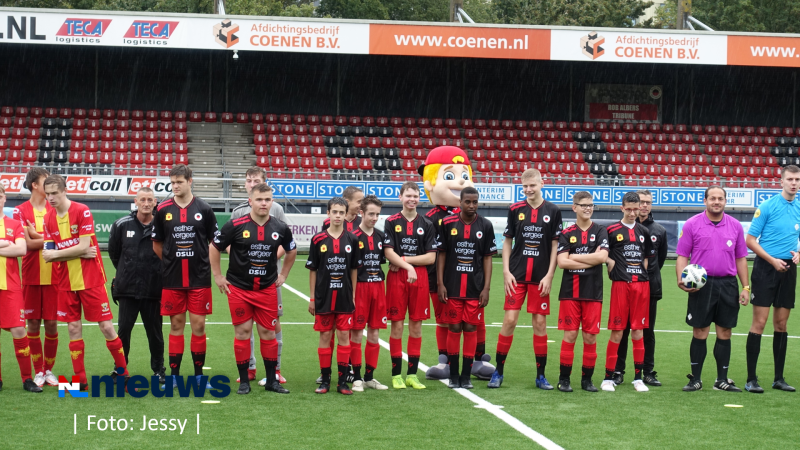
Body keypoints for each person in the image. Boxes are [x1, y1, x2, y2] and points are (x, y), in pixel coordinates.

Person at [42, 175, 128, 389]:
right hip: (65, 281)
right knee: (73, 329)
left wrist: (59, 253)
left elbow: (82, 245)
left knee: (106, 327)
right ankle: (80, 380)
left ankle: (124, 374)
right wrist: (75, 252)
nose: (51, 198)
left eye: (54, 193)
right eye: (47, 194)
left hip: (91, 279)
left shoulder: (82, 211)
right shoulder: (48, 218)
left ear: (65, 191)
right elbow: (48, 255)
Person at [211, 183, 297, 395]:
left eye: (267, 199)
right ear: (250, 201)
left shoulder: (280, 227)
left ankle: (271, 381)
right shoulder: (235, 225)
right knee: (242, 332)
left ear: (272, 201)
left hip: (266, 289)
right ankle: (244, 381)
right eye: (259, 199)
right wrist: (218, 276)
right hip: (239, 289)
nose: (263, 203)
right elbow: (214, 247)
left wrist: (283, 274)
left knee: (268, 332)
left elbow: (292, 250)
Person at [489, 168, 562, 389]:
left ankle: (541, 376)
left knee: (539, 323)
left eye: (532, 185)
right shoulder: (515, 209)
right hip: (517, 276)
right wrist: (506, 271)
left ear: (542, 184)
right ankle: (498, 372)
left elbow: (555, 245)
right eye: (525, 186)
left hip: (540, 278)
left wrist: (550, 275)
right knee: (510, 320)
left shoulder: (553, 210)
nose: (528, 189)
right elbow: (507, 241)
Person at [676, 186, 750, 392]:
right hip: (701, 286)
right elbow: (682, 255)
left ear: (725, 201)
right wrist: (681, 279)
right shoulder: (692, 224)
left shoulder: (735, 226)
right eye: (712, 198)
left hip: (728, 284)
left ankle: (722, 380)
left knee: (725, 331)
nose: (716, 202)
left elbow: (741, 258)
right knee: (700, 331)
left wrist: (745, 287)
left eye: (720, 198)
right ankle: (696, 380)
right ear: (705, 201)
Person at [152, 164, 218, 389]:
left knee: (198, 326)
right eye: (172, 182)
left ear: (190, 181)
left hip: (199, 278)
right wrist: (171, 261)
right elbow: (157, 244)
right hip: (172, 280)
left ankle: (199, 377)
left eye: (179, 182)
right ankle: (174, 377)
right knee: (176, 325)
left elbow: (214, 242)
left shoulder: (204, 209)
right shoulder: (163, 209)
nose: (175, 186)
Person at [230, 166, 289, 385]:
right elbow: (227, 243)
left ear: (264, 183)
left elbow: (286, 242)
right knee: (245, 324)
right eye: (249, 180)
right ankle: (250, 367)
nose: (252, 184)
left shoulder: (277, 209)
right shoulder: (238, 211)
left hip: (269, 279)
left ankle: (276, 369)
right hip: (243, 281)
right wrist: (242, 262)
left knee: (273, 323)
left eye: (256, 180)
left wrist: (269, 259)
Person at [744, 165, 800, 393]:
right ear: (781, 181)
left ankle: (779, 378)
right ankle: (751, 379)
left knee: (781, 324)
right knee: (759, 323)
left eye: (797, 180)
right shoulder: (767, 206)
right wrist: (772, 260)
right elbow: (750, 240)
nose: (794, 183)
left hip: (789, 269)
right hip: (766, 269)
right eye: (790, 179)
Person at [436, 187, 496, 389]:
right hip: (452, 286)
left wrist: (486, 288)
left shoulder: (485, 225)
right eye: (468, 202)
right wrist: (440, 283)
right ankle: (453, 375)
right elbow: (442, 254)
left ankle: (466, 376)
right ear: (460, 203)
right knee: (454, 327)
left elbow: (487, 258)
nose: (471, 205)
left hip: (474, 288)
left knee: (470, 327)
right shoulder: (447, 223)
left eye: (475, 202)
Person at [108, 187, 165, 383]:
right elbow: (115, 254)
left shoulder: (162, 225)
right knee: (123, 331)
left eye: (150, 200)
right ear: (136, 201)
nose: (146, 203)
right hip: (127, 289)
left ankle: (159, 370)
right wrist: (126, 271)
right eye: (143, 199)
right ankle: (120, 369)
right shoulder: (121, 224)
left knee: (155, 333)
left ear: (155, 202)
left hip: (153, 289)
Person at [384, 182, 437, 390]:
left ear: (419, 198)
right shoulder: (391, 222)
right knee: (397, 325)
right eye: (408, 195)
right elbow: (388, 252)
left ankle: (412, 375)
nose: (412, 199)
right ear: (400, 197)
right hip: (397, 278)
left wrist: (405, 261)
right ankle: (396, 374)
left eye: (415, 196)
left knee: (416, 326)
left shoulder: (427, 223)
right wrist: (407, 265)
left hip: (419, 277)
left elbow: (431, 257)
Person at [306, 197, 361, 395]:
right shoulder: (317, 239)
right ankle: (325, 380)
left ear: (346, 215)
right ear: (328, 213)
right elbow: (313, 270)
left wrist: (353, 295)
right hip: (324, 297)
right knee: (325, 335)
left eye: (341, 212)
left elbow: (354, 269)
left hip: (344, 296)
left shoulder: (352, 239)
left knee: (344, 335)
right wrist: (312, 298)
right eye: (334, 212)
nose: (338, 216)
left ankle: (342, 382)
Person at [555, 191, 609, 393]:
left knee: (590, 337)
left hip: (593, 292)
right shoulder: (567, 233)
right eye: (584, 205)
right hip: (570, 292)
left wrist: (574, 257)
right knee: (570, 335)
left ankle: (587, 380)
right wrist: (590, 259)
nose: (588, 208)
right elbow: (562, 263)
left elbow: (602, 258)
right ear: (574, 207)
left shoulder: (601, 231)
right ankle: (564, 379)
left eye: (591, 205)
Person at [614, 189, 668, 387]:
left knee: (647, 331)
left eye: (648, 202)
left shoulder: (659, 231)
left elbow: (659, 261)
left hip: (649, 288)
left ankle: (647, 372)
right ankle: (618, 371)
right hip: (625, 285)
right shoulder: (619, 229)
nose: (644, 206)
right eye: (641, 202)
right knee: (622, 329)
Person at [600, 192, 652, 393]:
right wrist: (609, 262)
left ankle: (638, 379)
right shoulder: (611, 230)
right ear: (622, 208)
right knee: (617, 331)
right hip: (621, 285)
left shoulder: (644, 231)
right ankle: (607, 378)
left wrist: (641, 274)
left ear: (640, 208)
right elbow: (602, 253)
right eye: (628, 209)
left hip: (641, 286)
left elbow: (646, 258)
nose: (632, 213)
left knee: (638, 331)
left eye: (635, 209)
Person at [14, 167, 58, 388]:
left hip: (55, 275)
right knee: (32, 323)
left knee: (51, 323)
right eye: (45, 181)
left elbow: (62, 241)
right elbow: (27, 245)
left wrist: (36, 235)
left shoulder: (55, 208)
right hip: (31, 275)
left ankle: (48, 370)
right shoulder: (20, 211)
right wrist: (48, 239)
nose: (49, 184)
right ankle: (38, 370)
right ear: (34, 185)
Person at [0, 185, 41, 393]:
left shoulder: (14, 224)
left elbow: (22, 248)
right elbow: (13, 247)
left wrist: (8, 246)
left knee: (19, 330)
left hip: (11, 286)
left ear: (4, 198)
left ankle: (27, 378)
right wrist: (5, 245)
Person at [350, 195, 390, 391]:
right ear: (361, 213)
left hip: (378, 287)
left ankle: (369, 377)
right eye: (371, 214)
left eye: (377, 214)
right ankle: (356, 377)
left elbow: (385, 260)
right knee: (357, 333)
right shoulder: (352, 236)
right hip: (360, 288)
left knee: (374, 332)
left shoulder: (381, 236)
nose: (374, 218)